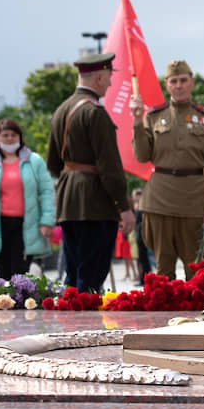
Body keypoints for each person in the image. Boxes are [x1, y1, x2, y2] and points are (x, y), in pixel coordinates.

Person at [47, 52, 135, 292]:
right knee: (91, 278)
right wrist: (123, 207)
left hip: (68, 201)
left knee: (73, 276)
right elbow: (110, 168)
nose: (109, 82)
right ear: (98, 77)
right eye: (108, 76)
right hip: (94, 204)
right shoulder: (95, 113)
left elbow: (53, 163)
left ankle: (68, 326)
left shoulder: (61, 110)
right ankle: (84, 328)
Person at [129, 60, 204, 280]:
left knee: (195, 271)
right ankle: (163, 316)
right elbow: (142, 155)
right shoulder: (152, 116)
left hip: (193, 201)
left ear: (192, 82)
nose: (178, 85)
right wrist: (136, 121)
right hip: (159, 201)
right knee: (163, 271)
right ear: (167, 85)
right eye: (174, 81)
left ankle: (195, 314)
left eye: (183, 80)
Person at [0, 119, 54, 279]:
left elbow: (47, 191)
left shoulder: (34, 161)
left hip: (26, 224)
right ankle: (3, 303)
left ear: (20, 137)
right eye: (4, 135)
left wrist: (47, 220)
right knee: (2, 272)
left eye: (13, 135)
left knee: (20, 272)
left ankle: (19, 303)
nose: (9, 139)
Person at [131, 188, 152, 286]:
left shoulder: (142, 206)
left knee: (144, 259)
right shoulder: (138, 206)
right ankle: (143, 278)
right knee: (141, 258)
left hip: (143, 235)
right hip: (139, 235)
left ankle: (145, 279)